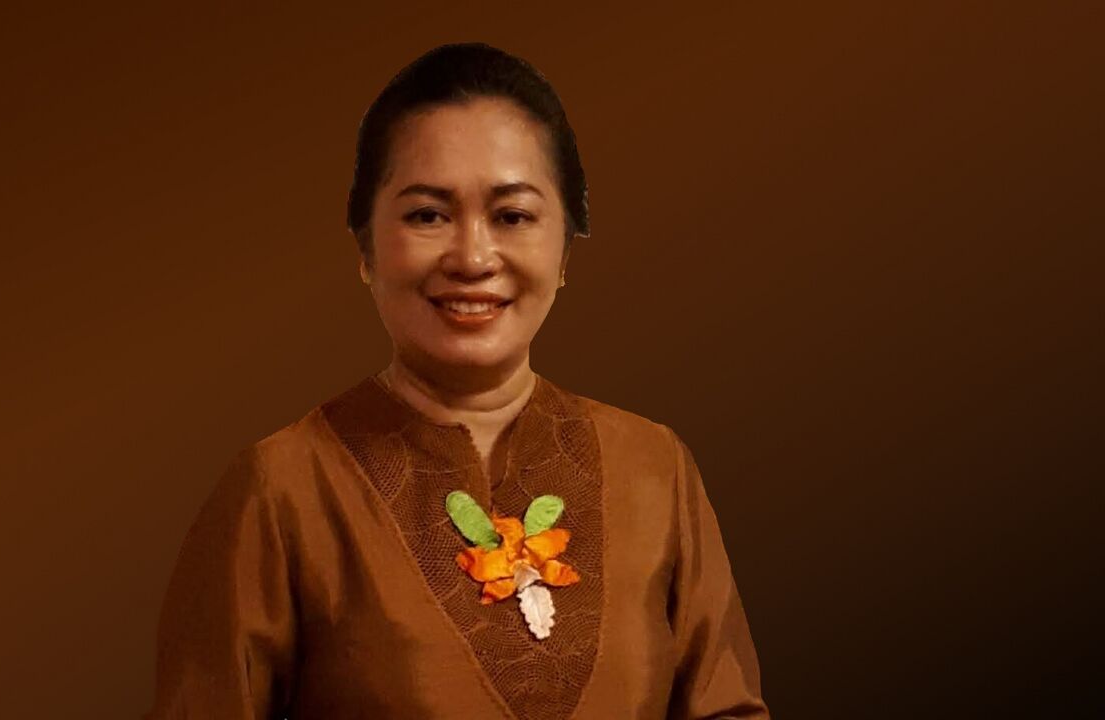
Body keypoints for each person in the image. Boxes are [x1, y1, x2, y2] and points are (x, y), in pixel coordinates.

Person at [143, 43, 769, 720]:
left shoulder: (654, 471)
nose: (473, 257)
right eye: (427, 215)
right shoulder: (282, 490)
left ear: (565, 248)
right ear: (365, 247)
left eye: (512, 216)